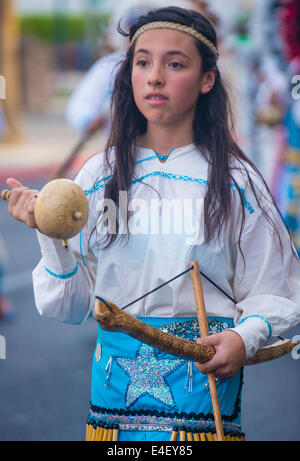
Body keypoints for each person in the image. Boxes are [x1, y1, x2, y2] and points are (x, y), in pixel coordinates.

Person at [5, 6, 300, 442]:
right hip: (113, 412)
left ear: (207, 79)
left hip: (201, 402)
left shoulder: (237, 181)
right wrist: (52, 236)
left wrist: (244, 337)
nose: (155, 76)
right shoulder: (97, 177)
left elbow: (279, 291)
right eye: (142, 62)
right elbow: (68, 307)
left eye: (174, 64)